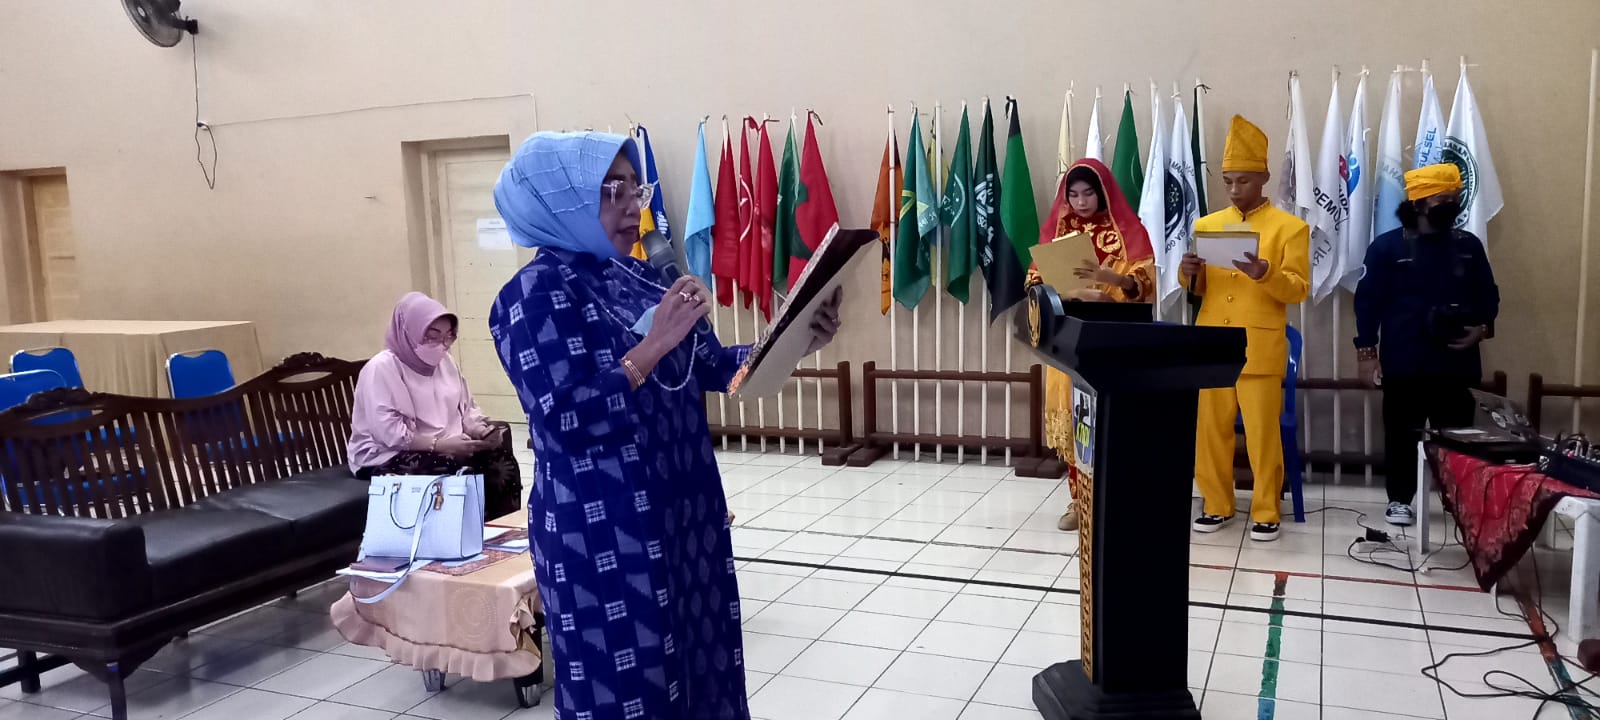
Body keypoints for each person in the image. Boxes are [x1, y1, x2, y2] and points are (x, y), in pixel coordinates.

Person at [488, 131, 841, 720]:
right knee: (628, 686)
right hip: (604, 530)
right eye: (613, 190)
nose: (634, 206)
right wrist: (650, 348)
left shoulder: (641, 277)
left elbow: (716, 366)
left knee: (702, 663)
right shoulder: (531, 295)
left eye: (637, 189)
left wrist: (796, 337)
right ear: (561, 198)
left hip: (684, 512)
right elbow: (565, 418)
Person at [1180, 115, 1310, 543]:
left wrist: (1265, 273)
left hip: (1259, 346)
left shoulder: (1290, 228)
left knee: (1261, 434)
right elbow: (1200, 289)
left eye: (1244, 181)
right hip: (1211, 343)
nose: (1235, 190)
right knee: (1209, 431)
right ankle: (1216, 504)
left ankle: (1267, 509)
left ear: (1264, 179)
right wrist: (1188, 272)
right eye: (1228, 182)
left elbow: (1298, 289)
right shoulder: (1206, 225)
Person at [1354, 163, 1499, 526]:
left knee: (1458, 437)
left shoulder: (1468, 246)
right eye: (1441, 199)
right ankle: (1399, 499)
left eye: (1454, 198)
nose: (1450, 205)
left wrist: (1482, 328)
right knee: (1402, 433)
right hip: (1405, 360)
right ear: (1418, 202)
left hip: (1458, 361)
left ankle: (1457, 499)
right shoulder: (1387, 247)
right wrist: (1367, 353)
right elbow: (1367, 303)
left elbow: (1489, 296)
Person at [1028, 159, 1154, 531]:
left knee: (1110, 423)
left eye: (1088, 193)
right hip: (1068, 341)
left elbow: (1144, 285)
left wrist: (1112, 280)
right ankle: (1079, 501)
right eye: (1074, 195)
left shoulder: (1129, 231)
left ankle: (1116, 500)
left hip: (1113, 341)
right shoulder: (1058, 232)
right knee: (1076, 423)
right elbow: (1033, 284)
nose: (1081, 202)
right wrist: (1067, 294)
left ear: (1102, 193)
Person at [347, 292, 522, 519]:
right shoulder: (381, 369)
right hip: (386, 455)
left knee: (500, 461)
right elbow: (388, 433)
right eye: (432, 336)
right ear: (408, 331)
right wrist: (438, 445)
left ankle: (501, 533)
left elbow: (466, 408)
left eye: (448, 337)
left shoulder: (445, 362)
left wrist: (481, 430)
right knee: (451, 470)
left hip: (444, 446)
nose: (443, 345)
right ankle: (458, 537)